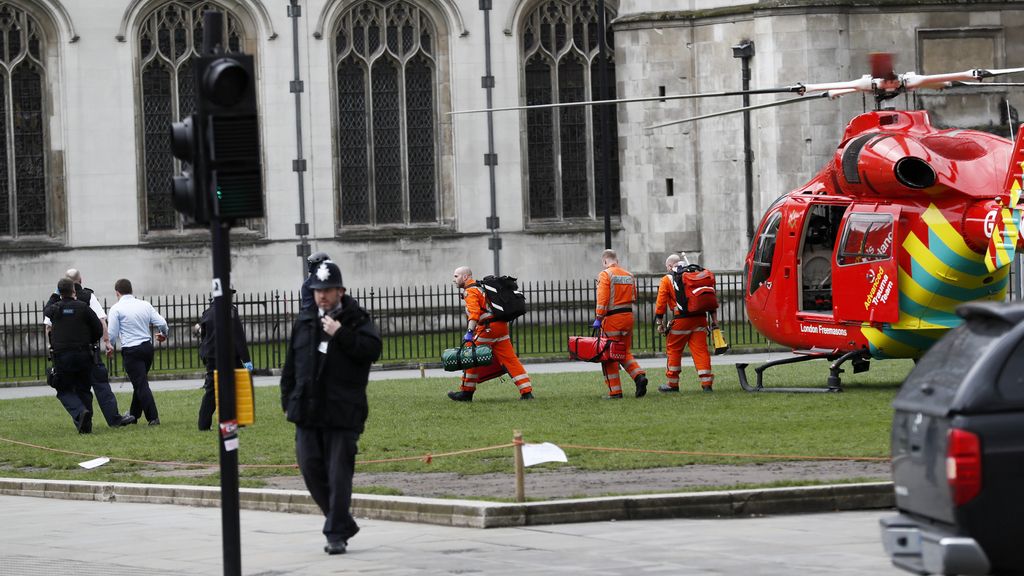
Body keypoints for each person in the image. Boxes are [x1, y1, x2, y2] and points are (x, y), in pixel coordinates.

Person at [280, 261, 381, 555]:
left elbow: (371, 351)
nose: (322, 295)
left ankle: (335, 533)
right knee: (310, 468)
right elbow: (291, 366)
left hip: (342, 411)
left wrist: (341, 334)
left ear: (341, 291)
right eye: (318, 290)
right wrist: (287, 400)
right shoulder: (305, 320)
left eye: (328, 290)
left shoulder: (356, 320)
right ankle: (342, 522)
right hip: (307, 409)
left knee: (338, 475)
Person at [43, 270, 134, 428]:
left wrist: (54, 345)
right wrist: (99, 341)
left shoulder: (54, 307)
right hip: (86, 352)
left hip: (62, 354)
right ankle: (113, 419)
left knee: (67, 388)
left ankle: (83, 419)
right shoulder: (86, 301)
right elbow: (100, 324)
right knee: (96, 385)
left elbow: (48, 327)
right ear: (77, 283)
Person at [446, 266, 534, 402]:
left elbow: (474, 314)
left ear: (465, 277)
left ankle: (466, 392)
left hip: (487, 329)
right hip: (501, 327)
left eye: (456, 276)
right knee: (510, 359)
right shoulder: (481, 287)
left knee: (470, 357)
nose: (454, 279)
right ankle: (527, 392)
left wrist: (469, 332)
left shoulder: (470, 291)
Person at [44, 278, 104, 433]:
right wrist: (88, 340)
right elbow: (98, 329)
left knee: (63, 389)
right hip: (83, 353)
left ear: (60, 292)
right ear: (74, 290)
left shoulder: (55, 309)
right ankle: (86, 426)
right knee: (84, 389)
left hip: (62, 356)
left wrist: (55, 295)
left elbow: (46, 310)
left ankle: (80, 412)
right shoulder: (83, 307)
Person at [106, 279, 168, 425]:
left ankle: (153, 417)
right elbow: (162, 323)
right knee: (139, 382)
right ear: (131, 290)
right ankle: (134, 415)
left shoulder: (116, 308)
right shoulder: (145, 304)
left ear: (117, 293)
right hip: (147, 348)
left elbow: (112, 333)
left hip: (131, 350)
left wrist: (110, 346)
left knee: (140, 384)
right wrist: (164, 334)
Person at [654, 254, 715, 393]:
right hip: (700, 318)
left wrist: (659, 322)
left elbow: (660, 303)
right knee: (701, 350)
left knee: (674, 349)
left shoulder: (667, 279)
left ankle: (672, 383)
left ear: (670, 266)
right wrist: (714, 322)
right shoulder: (694, 274)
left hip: (681, 320)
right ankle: (706, 383)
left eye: (667, 267)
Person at [194, 291, 253, 431]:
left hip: (212, 356)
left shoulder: (207, 312)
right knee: (236, 387)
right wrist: (246, 359)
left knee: (211, 390)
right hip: (229, 355)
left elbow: (204, 335)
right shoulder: (230, 311)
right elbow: (238, 335)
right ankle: (238, 420)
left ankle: (203, 424)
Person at [593, 249, 648, 399]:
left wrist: (599, 317)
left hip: (612, 319)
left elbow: (603, 299)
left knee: (608, 355)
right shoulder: (629, 275)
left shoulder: (605, 274)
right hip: (628, 317)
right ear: (617, 260)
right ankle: (639, 376)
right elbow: (633, 297)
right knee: (623, 351)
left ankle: (615, 392)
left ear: (605, 261)